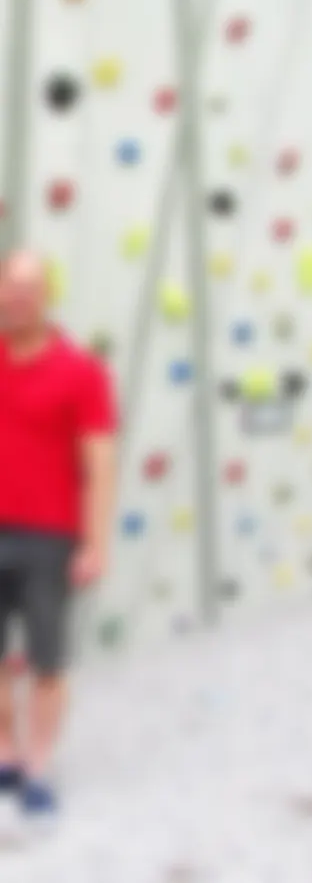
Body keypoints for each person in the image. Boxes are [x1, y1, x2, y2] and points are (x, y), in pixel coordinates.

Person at [0, 249, 118, 823]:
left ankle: (38, 769)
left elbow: (100, 464)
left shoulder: (81, 371)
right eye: (11, 286)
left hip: (49, 540)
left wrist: (96, 543)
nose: (19, 296)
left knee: (47, 662)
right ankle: (6, 755)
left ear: (46, 295)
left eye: (30, 287)